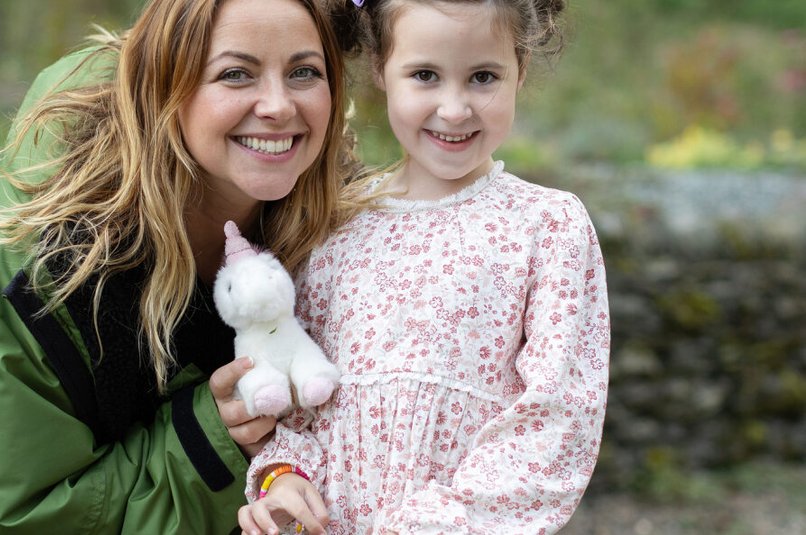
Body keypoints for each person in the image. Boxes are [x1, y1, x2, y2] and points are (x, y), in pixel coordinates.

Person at [0, 0, 354, 532]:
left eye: (304, 72)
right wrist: (208, 440)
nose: (278, 105)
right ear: (163, 87)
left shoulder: (330, 232)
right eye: (235, 74)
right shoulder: (37, 272)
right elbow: (15, 518)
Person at [238, 0, 610, 533]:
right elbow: (301, 401)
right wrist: (285, 478)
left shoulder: (546, 227)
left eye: (483, 76)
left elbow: (556, 419)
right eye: (425, 75)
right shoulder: (333, 224)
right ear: (381, 70)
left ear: (520, 70)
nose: (454, 109)